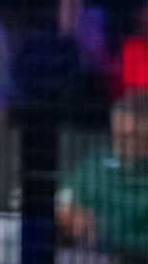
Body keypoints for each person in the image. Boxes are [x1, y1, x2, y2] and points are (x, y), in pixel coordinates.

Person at [57, 90, 148, 262]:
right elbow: (63, 196)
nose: (121, 144)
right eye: (117, 135)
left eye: (131, 136)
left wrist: (105, 230)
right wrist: (67, 211)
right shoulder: (99, 163)